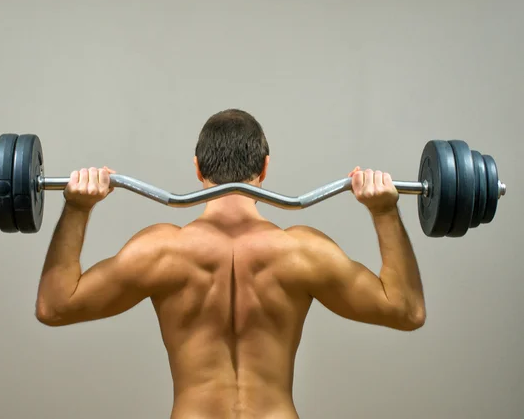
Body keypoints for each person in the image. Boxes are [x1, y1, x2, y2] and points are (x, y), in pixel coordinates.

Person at [35, 109, 426, 419]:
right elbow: (406, 311)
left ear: (198, 169)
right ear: (265, 169)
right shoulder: (303, 252)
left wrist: (78, 207)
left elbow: (55, 306)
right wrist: (384, 211)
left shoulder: (161, 251)